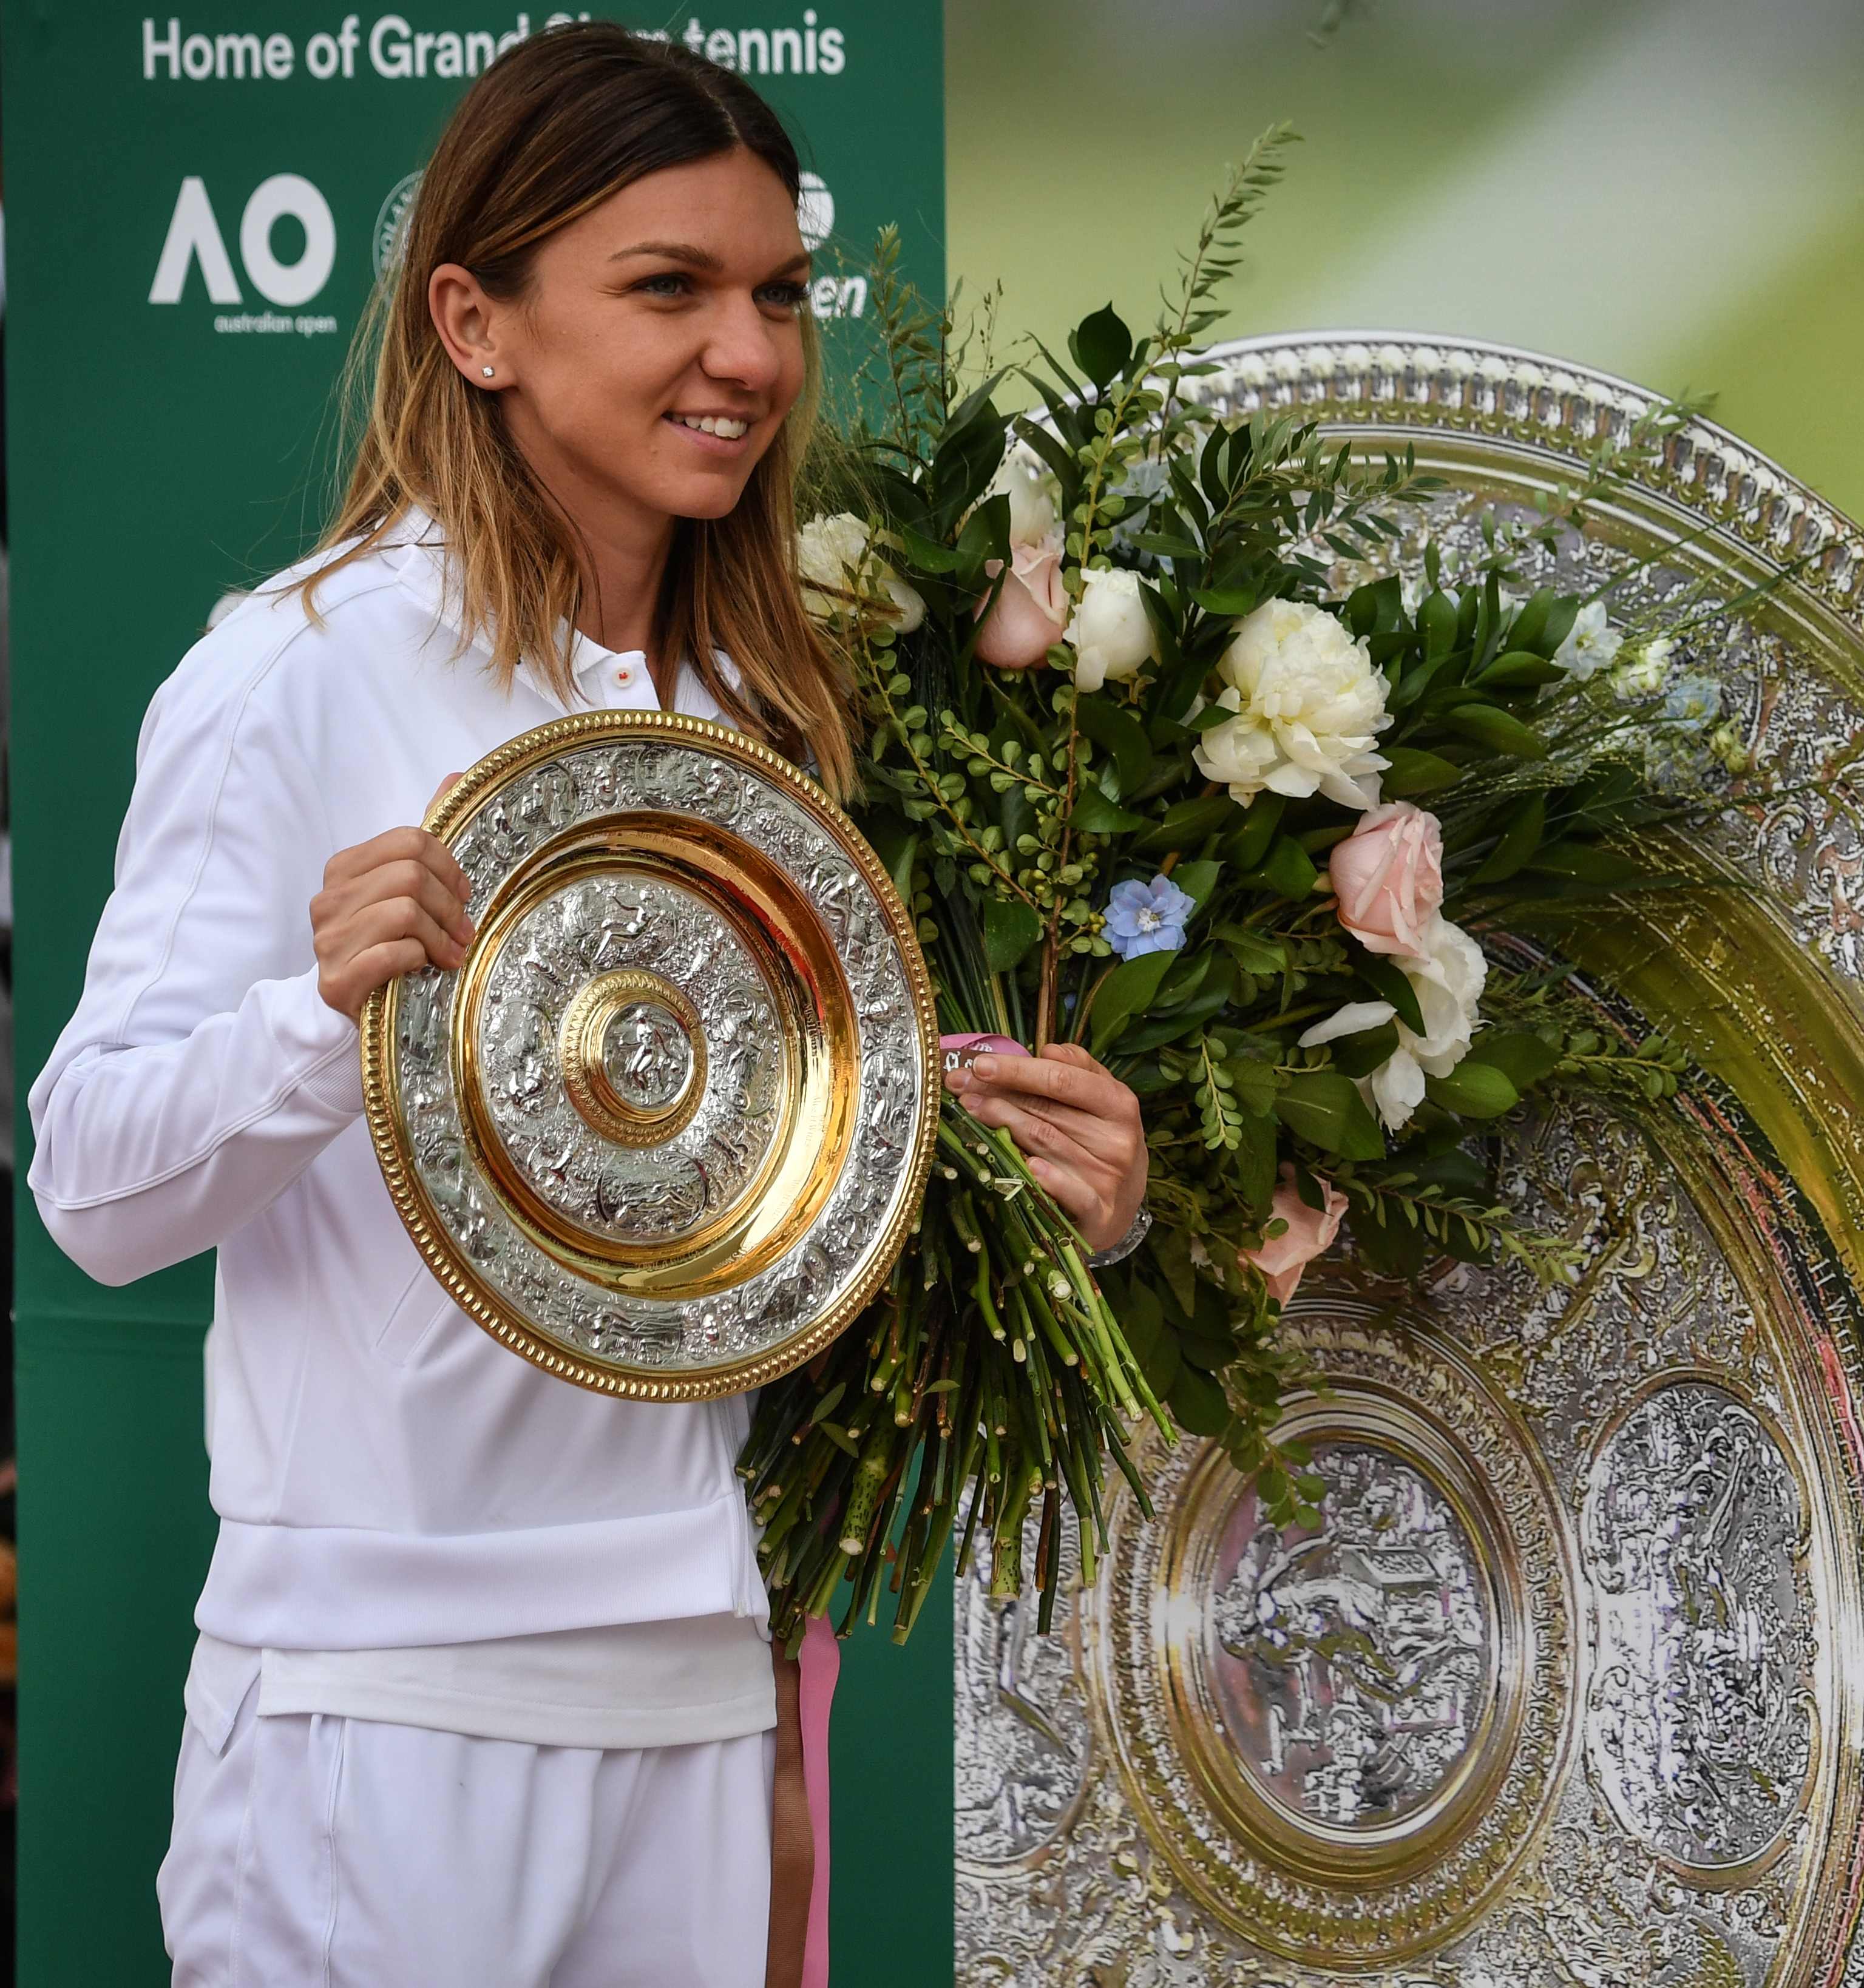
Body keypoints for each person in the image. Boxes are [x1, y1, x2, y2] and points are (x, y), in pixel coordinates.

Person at [26, 27, 1146, 1984]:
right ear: (476, 320)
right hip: (380, 1708)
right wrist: (321, 1012)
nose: (750, 352)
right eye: (670, 289)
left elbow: (764, 1227)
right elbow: (91, 1186)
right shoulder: (297, 668)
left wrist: (1054, 1209)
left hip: (692, 1702)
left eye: (776, 294)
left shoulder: (752, 723)